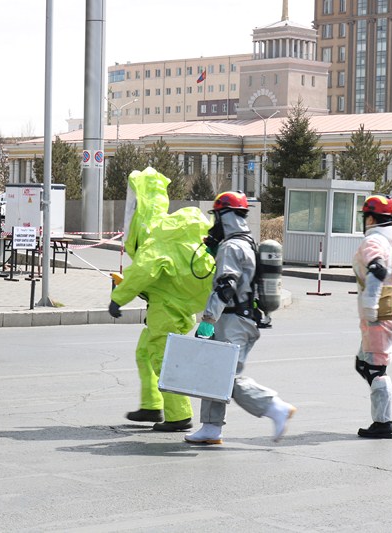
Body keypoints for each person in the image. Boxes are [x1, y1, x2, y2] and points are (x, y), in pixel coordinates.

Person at [108, 167, 215, 432]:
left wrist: (118, 298)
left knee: (161, 356)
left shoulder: (157, 235)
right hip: (173, 301)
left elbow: (143, 271)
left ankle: (179, 414)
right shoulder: (164, 230)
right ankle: (151, 405)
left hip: (168, 306)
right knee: (145, 352)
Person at [185, 191, 296, 445]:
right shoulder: (244, 243)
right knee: (215, 371)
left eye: (217, 218)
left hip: (232, 320)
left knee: (225, 375)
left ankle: (275, 407)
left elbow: (226, 285)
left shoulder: (232, 246)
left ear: (226, 217)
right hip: (239, 318)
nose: (214, 224)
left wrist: (208, 319)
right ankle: (211, 427)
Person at [352, 194, 392, 439]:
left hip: (381, 309)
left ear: (372, 217)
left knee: (375, 368)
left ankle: (383, 422)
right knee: (363, 362)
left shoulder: (374, 241)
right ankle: (390, 407)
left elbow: (377, 271)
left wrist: (370, 307)